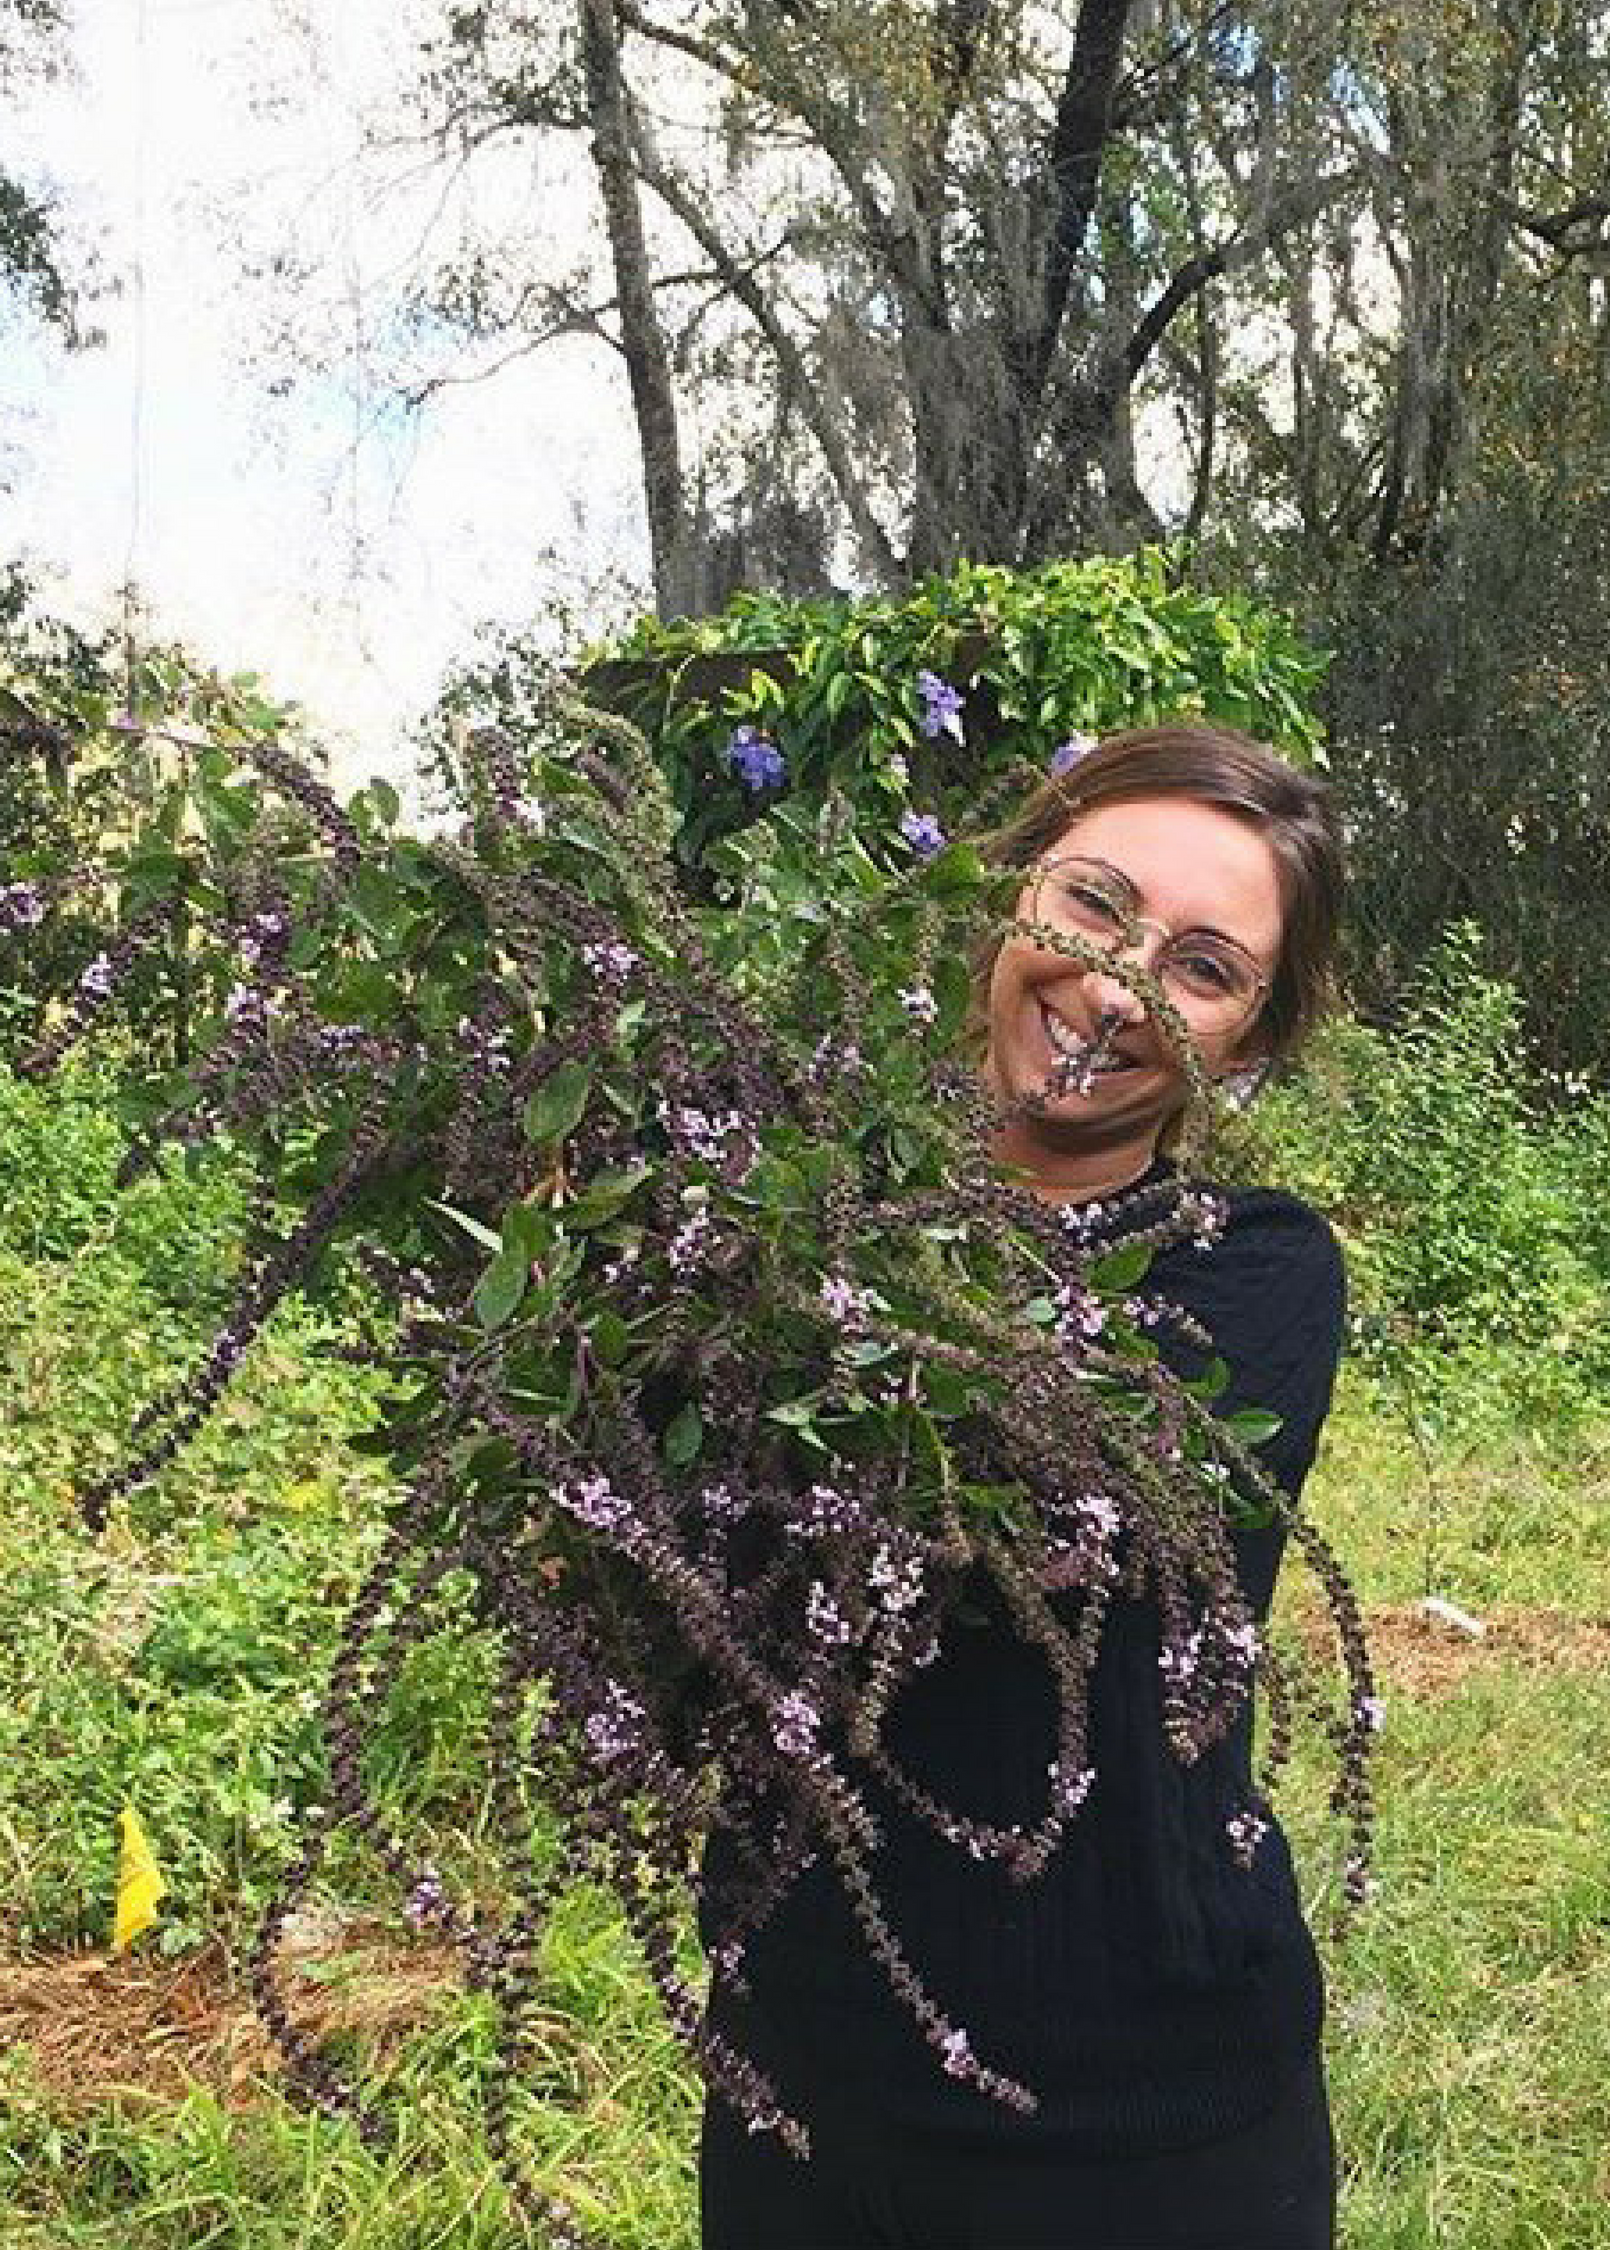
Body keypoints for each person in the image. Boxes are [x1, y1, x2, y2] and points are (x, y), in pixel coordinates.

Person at [698, 722, 1349, 2250]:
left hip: (1143, 2114)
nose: (1117, 985)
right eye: (1094, 901)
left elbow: (1009, 1479)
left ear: (1244, 1043)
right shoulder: (789, 1204)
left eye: (1202, 967)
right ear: (1007, 896)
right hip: (804, 2071)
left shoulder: (1248, 1274)